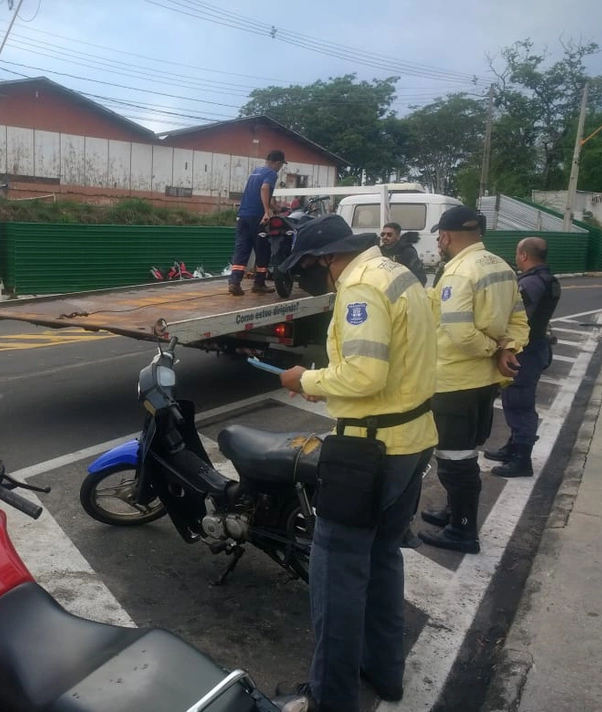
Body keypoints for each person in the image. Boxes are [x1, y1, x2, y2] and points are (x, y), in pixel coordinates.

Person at [273, 214, 438, 712]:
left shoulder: (360, 286)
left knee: (336, 577)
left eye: (306, 264)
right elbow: (390, 366)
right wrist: (336, 383)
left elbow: (365, 373)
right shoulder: (397, 273)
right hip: (411, 438)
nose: (306, 274)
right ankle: (385, 673)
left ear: (326, 258)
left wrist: (308, 380)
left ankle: (330, 698)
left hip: (369, 452)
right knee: (384, 561)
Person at [418, 206, 529, 553]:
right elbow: (519, 319)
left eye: (439, 237)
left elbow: (460, 333)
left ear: (447, 236)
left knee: (455, 460)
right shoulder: (500, 266)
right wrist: (507, 346)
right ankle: (453, 513)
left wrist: (493, 349)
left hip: (455, 381)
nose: (439, 243)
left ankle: (463, 531)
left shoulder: (458, 273)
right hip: (483, 382)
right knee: (464, 452)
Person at [485, 237, 561, 477]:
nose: (516, 257)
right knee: (514, 401)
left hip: (525, 350)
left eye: (518, 253)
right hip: (534, 347)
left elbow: (519, 317)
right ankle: (514, 446)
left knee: (519, 405)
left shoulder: (531, 284)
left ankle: (522, 460)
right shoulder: (548, 279)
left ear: (524, 256)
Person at [228, 149, 285, 296]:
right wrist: (267, 211)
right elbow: (264, 189)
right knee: (262, 249)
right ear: (277, 163)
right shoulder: (271, 174)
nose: (280, 168)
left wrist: (276, 208)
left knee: (242, 249)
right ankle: (259, 283)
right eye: (281, 165)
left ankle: (234, 282)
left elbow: (259, 194)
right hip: (257, 217)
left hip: (243, 216)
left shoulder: (256, 172)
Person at [379, 222, 427, 286]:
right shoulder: (379, 251)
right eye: (383, 234)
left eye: (389, 235)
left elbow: (420, 277)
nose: (385, 237)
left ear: (398, 236)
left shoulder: (407, 252)